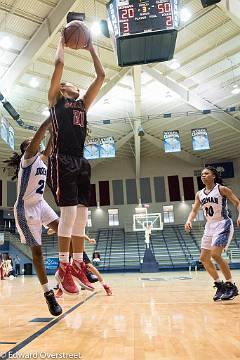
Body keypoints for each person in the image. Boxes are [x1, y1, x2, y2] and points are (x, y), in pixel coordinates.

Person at [47, 29, 105, 295]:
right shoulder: (55, 101)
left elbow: (101, 76)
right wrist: (61, 42)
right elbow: (59, 65)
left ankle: (79, 264)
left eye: (68, 83)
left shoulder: (83, 104)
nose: (66, 84)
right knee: (68, 215)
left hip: (81, 162)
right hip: (62, 159)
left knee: (82, 218)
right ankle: (63, 267)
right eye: (65, 83)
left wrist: (91, 47)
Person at [4, 118, 62, 316]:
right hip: (25, 209)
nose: (36, 143)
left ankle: (71, 269)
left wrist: (58, 127)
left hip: (41, 204)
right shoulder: (27, 158)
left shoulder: (42, 159)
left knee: (65, 230)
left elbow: (52, 143)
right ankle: (48, 295)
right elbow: (41, 131)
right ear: (27, 148)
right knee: (37, 253)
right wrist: (51, 116)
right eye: (32, 141)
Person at [185, 166, 240, 301]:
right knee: (204, 259)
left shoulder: (222, 189)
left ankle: (231, 285)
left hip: (223, 224)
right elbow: (194, 210)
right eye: (202, 174)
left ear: (213, 176)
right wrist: (189, 221)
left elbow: (237, 202)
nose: (203, 176)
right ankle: (219, 285)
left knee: (215, 255)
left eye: (206, 173)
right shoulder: (199, 194)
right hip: (209, 227)